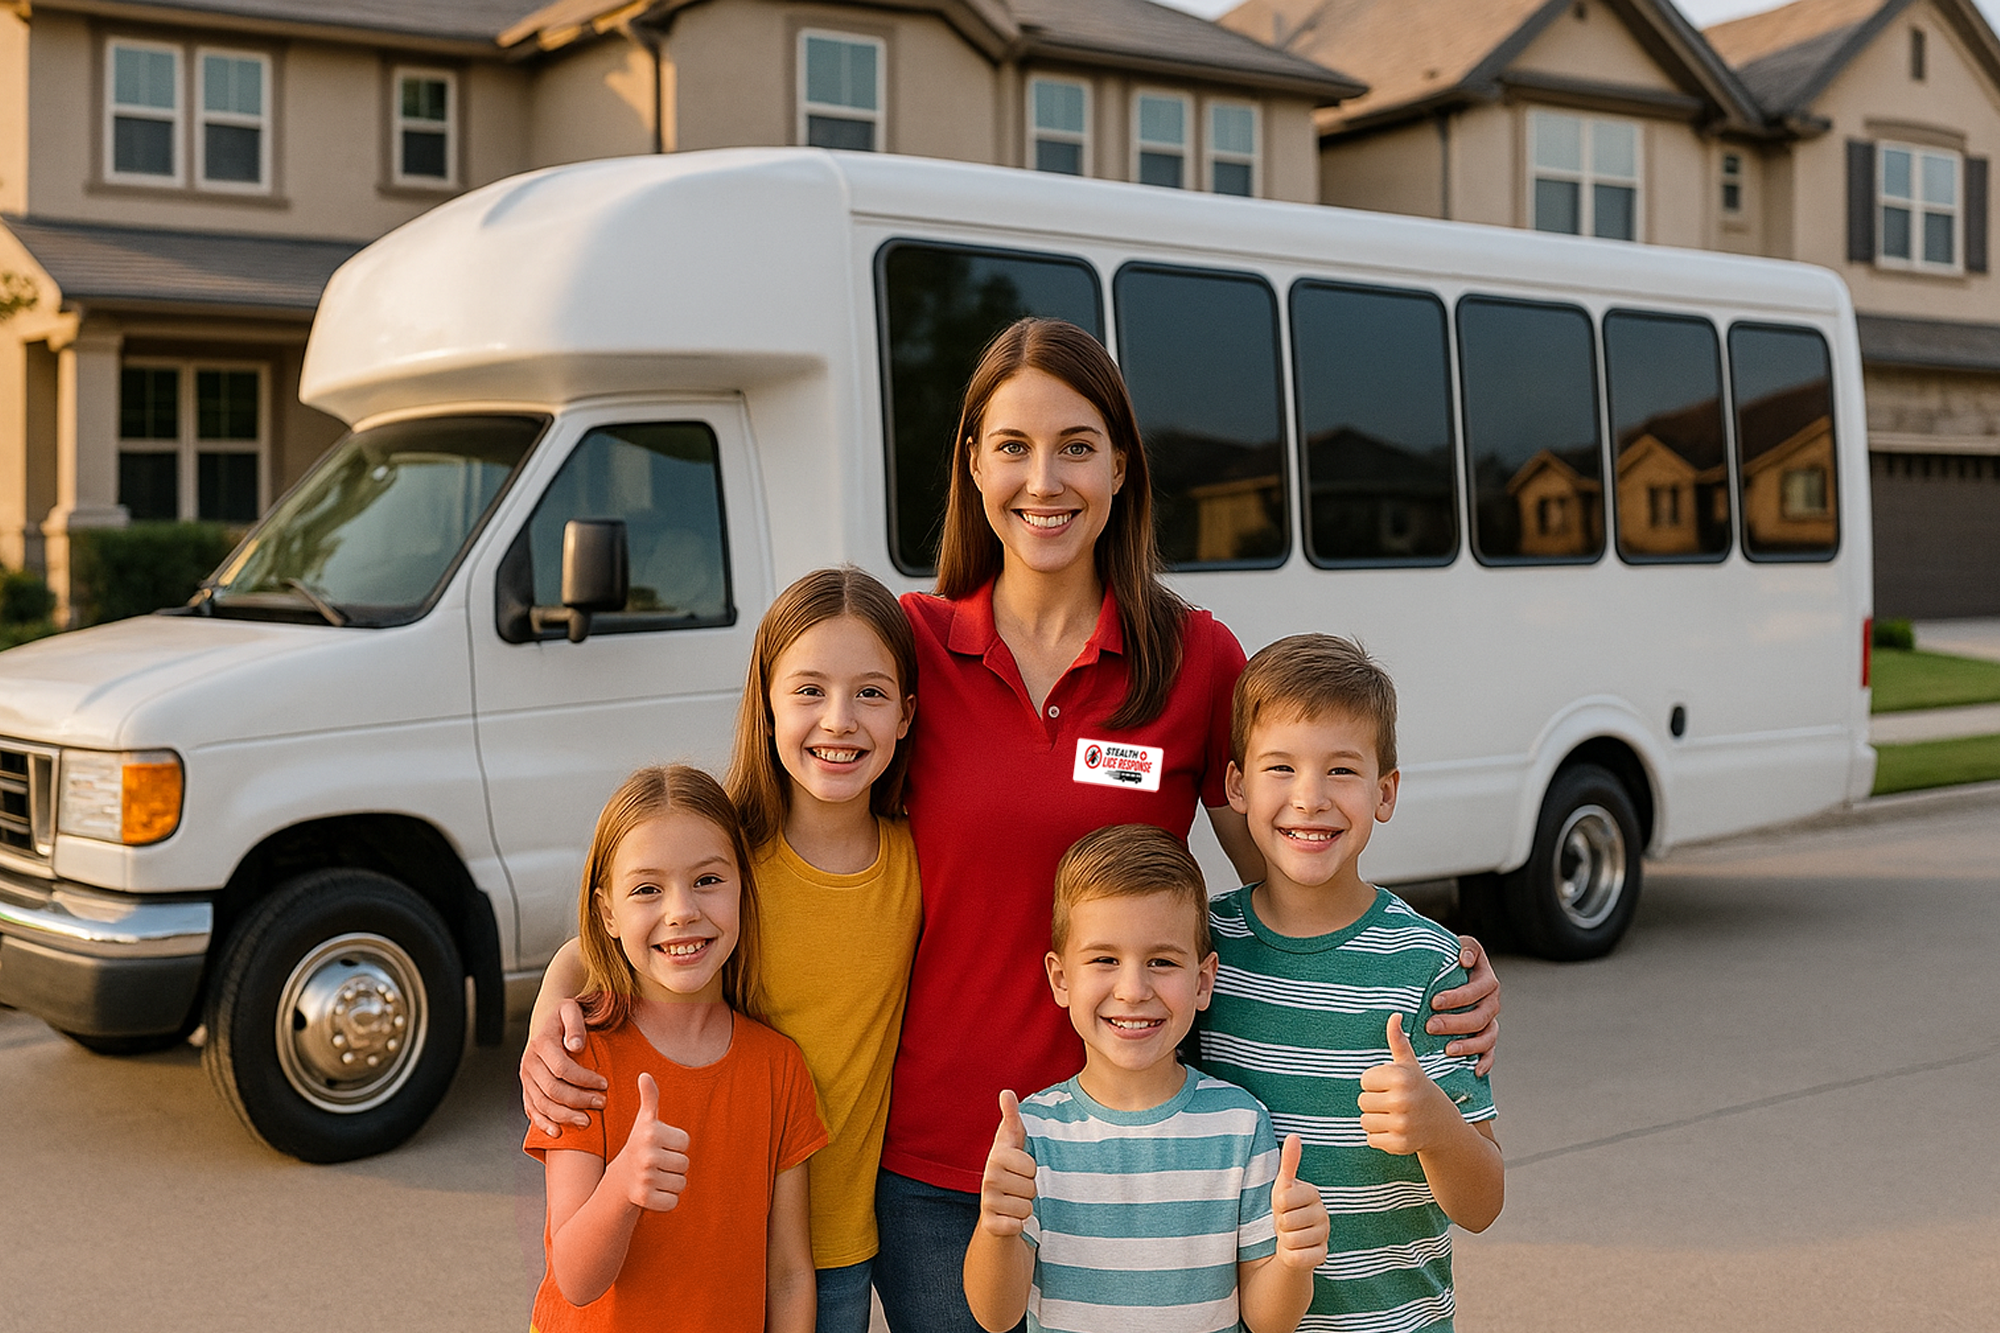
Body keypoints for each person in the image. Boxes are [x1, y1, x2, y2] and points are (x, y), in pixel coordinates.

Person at [523, 318, 1502, 1332]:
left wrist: (1430, 963)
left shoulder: (1195, 659)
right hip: (944, 1169)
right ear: (973, 466)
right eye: (1013, 447)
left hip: (1141, 1159)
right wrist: (566, 981)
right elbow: (725, 850)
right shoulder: (911, 649)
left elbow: (1295, 881)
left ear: (1120, 466)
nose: (1045, 480)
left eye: (1076, 445)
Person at [528, 570, 923, 1333]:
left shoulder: (916, 860)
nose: (838, 719)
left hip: (830, 1236)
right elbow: (613, 933)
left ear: (906, 712)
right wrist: (553, 1000)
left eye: (869, 692)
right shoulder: (725, 855)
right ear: (766, 704)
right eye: (808, 690)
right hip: (696, 1231)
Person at [1198, 635, 1504, 1333]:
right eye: (1281, 767)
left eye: (1341, 769)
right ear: (1237, 785)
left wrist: (1437, 1127)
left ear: (1384, 791)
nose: (1310, 798)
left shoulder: (1429, 965)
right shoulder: (1206, 953)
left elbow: (1483, 1204)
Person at [963, 825, 1329, 1333]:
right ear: (1061, 979)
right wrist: (997, 1228)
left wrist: (1293, 1261)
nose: (1133, 990)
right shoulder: (1033, 1133)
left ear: (1203, 981)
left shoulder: (1241, 1125)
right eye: (1105, 960)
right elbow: (995, 1316)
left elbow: (1269, 1321)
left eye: (1161, 961)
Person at [524, 764, 826, 1333]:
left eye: (708, 880)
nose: (681, 910)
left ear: (743, 887)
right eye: (647, 889)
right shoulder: (580, 1057)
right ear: (607, 913)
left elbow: (788, 1273)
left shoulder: (778, 1067)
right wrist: (623, 1186)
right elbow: (576, 1280)